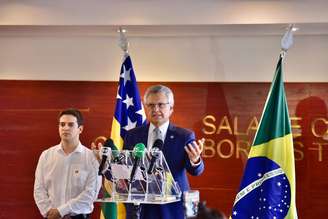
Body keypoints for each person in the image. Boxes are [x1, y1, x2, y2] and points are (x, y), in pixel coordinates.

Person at [123, 84, 205, 219]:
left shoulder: (184, 136)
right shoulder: (133, 135)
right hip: (141, 208)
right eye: (150, 105)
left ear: (171, 108)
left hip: (172, 209)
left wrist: (195, 160)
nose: (155, 109)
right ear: (145, 108)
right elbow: (126, 169)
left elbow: (196, 171)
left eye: (161, 105)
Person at [34, 108, 101, 219]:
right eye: (62, 124)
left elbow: (90, 194)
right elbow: (39, 189)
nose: (65, 128)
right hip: (50, 216)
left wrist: (61, 211)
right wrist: (48, 211)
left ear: (80, 129)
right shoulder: (46, 156)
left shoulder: (91, 158)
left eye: (70, 125)